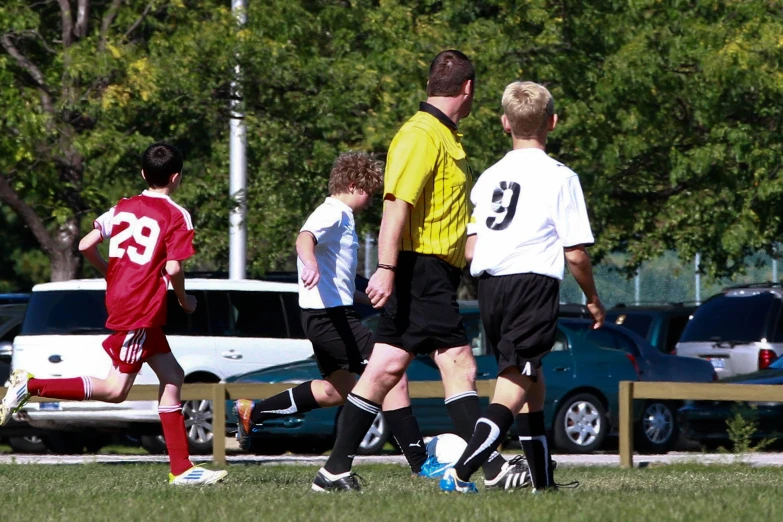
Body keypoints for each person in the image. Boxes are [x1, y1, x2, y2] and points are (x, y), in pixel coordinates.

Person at [311, 50, 529, 493]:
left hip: (434, 271)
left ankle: (332, 472)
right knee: (459, 366)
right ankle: (492, 468)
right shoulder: (421, 134)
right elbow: (396, 207)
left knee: (383, 370)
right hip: (420, 271)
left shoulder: (446, 137)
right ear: (467, 89)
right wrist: (386, 268)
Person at [0, 143, 227, 486]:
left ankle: (182, 469)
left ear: (142, 174)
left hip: (125, 301)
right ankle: (30, 386)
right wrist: (183, 300)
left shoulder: (123, 208)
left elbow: (84, 245)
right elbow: (175, 266)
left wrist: (109, 271)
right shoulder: (176, 215)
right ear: (176, 178)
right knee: (115, 389)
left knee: (172, 376)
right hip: (140, 307)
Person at [439, 81, 605, 494]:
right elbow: (576, 255)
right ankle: (462, 471)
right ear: (553, 121)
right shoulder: (560, 177)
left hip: (490, 288)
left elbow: (472, 246)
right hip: (531, 285)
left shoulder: (491, 176)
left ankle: (543, 482)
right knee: (514, 383)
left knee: (533, 382)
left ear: (504, 123)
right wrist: (593, 298)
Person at [234, 152, 432, 481]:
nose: (370, 201)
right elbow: (304, 238)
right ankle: (420, 463)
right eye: (368, 192)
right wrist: (308, 262)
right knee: (392, 375)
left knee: (335, 392)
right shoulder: (335, 213)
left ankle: (253, 411)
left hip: (324, 316)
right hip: (330, 320)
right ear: (353, 186)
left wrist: (364, 296)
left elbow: (333, 276)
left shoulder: (339, 217)